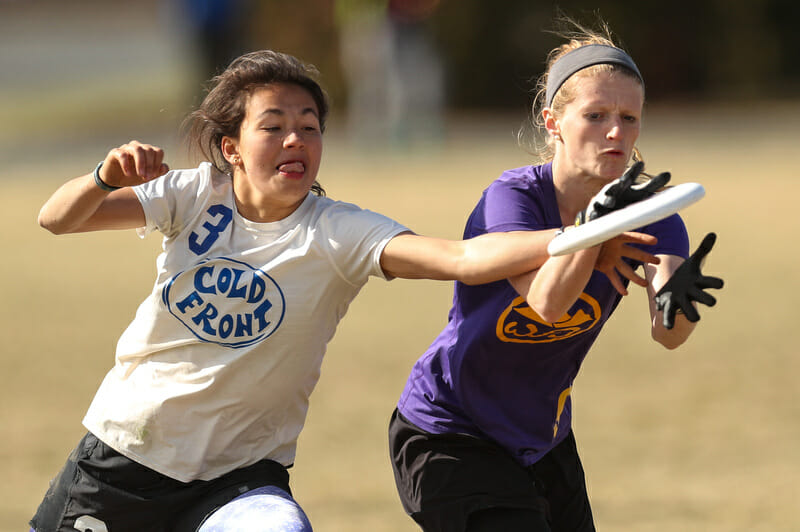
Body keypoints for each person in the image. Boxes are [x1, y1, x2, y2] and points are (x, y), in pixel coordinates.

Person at [29, 49, 656, 532]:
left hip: (240, 481)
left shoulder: (337, 231)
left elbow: (463, 258)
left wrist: (580, 235)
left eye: (309, 126)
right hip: (124, 454)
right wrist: (101, 176)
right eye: (273, 126)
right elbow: (58, 218)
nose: (296, 140)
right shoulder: (191, 195)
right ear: (232, 148)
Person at [388, 19, 724, 532]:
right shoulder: (514, 198)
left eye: (629, 118)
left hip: (541, 436)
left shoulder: (654, 215)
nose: (616, 132)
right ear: (553, 122)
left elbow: (669, 335)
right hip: (449, 429)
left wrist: (681, 301)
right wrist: (592, 231)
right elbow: (547, 304)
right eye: (595, 115)